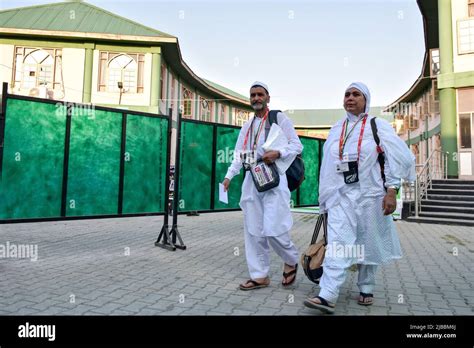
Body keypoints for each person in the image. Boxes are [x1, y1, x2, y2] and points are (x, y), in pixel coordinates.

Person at [303, 82, 415, 314]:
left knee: (368, 242)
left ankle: (367, 286)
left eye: (356, 94)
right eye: (347, 94)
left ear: (366, 100)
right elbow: (327, 166)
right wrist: (324, 197)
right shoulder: (336, 129)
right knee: (339, 244)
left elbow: (400, 157)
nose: (350, 98)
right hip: (340, 198)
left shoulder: (377, 126)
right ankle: (328, 294)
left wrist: (392, 189)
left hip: (370, 196)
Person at [222, 81, 303, 290]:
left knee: (273, 227)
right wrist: (229, 176)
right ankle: (259, 275)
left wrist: (278, 153)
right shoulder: (247, 126)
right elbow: (239, 155)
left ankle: (291, 258)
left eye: (260, 94)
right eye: (253, 95)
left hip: (274, 179)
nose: (256, 98)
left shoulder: (278, 118)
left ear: (268, 98)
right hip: (252, 180)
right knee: (253, 230)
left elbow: (297, 145)